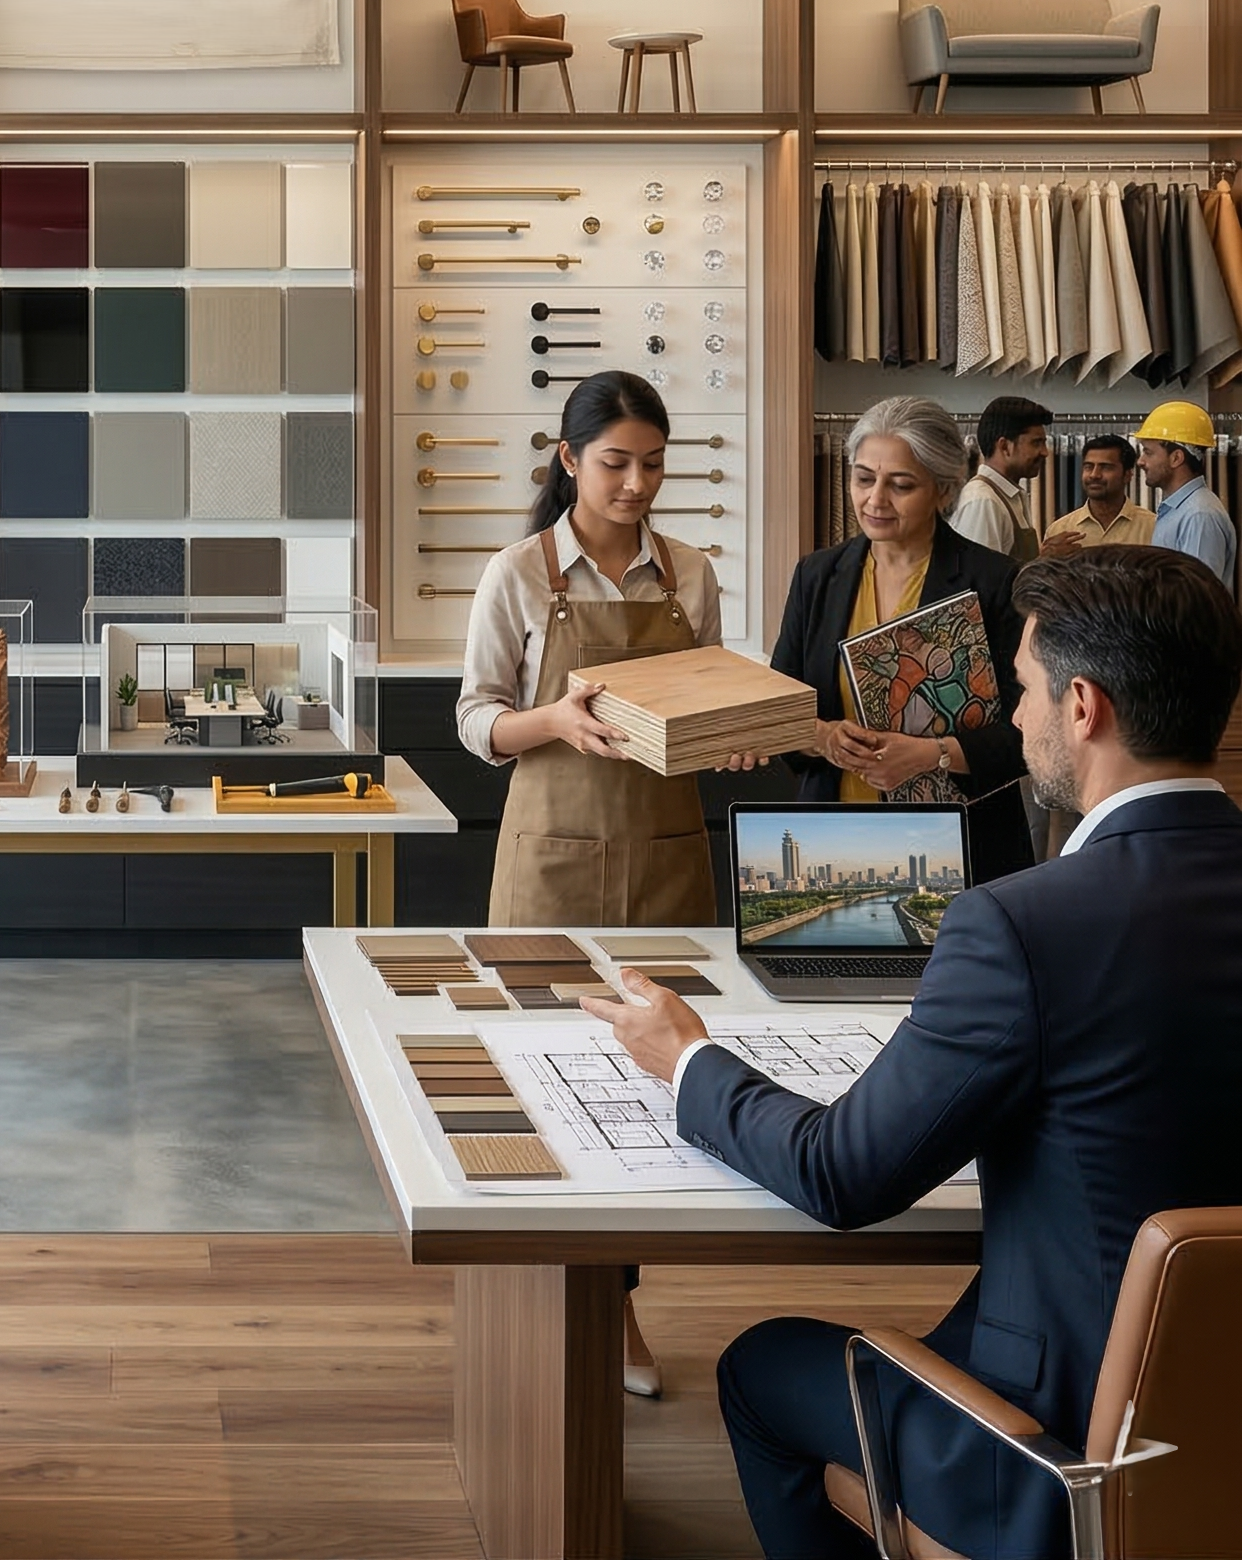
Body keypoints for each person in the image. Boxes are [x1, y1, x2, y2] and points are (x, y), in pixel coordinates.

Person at [582, 546, 1242, 1559]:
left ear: (1084, 707)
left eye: (1022, 691)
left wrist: (686, 1059)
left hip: (1068, 1464)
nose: (1012, 720)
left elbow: (841, 1172)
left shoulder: (1022, 925)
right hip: (1220, 1435)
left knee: (761, 1369)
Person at [456, 369, 761, 1398]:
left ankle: (618, 1305)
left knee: (654, 1085)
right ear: (568, 458)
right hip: (549, 857)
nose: (637, 484)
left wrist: (735, 738)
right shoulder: (519, 572)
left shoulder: (692, 572)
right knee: (544, 1075)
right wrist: (558, 721)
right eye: (617, 462)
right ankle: (551, 1305)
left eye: (654, 464)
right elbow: (477, 720)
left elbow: (705, 699)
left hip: (667, 852)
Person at [769, 394, 1035, 883]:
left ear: (943, 490)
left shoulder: (997, 582)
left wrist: (932, 754)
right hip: (836, 844)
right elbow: (777, 710)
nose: (875, 500)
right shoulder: (817, 576)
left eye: (901, 485)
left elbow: (1032, 731)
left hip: (968, 848)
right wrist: (824, 737)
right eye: (864, 478)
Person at [1136, 400, 1236, 589]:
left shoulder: (1199, 516)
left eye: (1148, 452)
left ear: (1176, 458)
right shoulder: (1179, 511)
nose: (1140, 461)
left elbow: (1198, 599)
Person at [947, 394, 1052, 562]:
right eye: (1036, 443)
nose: (1045, 452)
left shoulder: (1008, 497)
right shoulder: (984, 501)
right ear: (1005, 447)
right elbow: (979, 582)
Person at [1039, 432, 1153, 555]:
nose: (1094, 475)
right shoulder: (1060, 530)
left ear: (1127, 475)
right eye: (1088, 467)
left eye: (1105, 467)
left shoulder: (1152, 527)